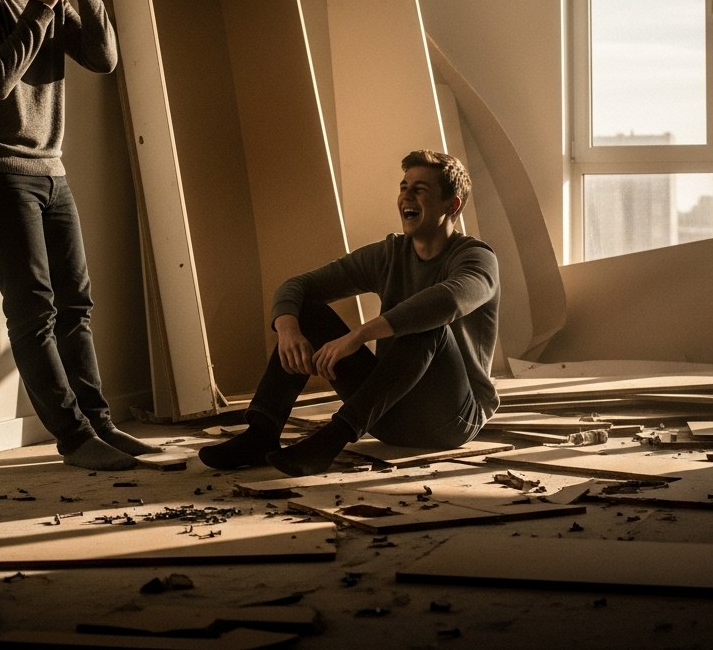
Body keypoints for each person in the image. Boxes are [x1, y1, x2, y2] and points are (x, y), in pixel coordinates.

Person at [0, 0, 157, 471]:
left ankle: (102, 425)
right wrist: (39, 9)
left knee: (76, 306)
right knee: (33, 309)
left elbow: (105, 58)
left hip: (51, 168)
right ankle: (72, 436)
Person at [199, 150, 500, 477]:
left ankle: (329, 441)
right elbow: (298, 286)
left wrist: (358, 335)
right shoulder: (390, 254)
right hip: (385, 415)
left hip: (452, 420)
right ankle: (261, 434)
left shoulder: (476, 259)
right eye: (403, 187)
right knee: (310, 313)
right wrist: (288, 331)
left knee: (429, 326)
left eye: (420, 190)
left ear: (451, 205)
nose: (406, 197)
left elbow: (446, 302)